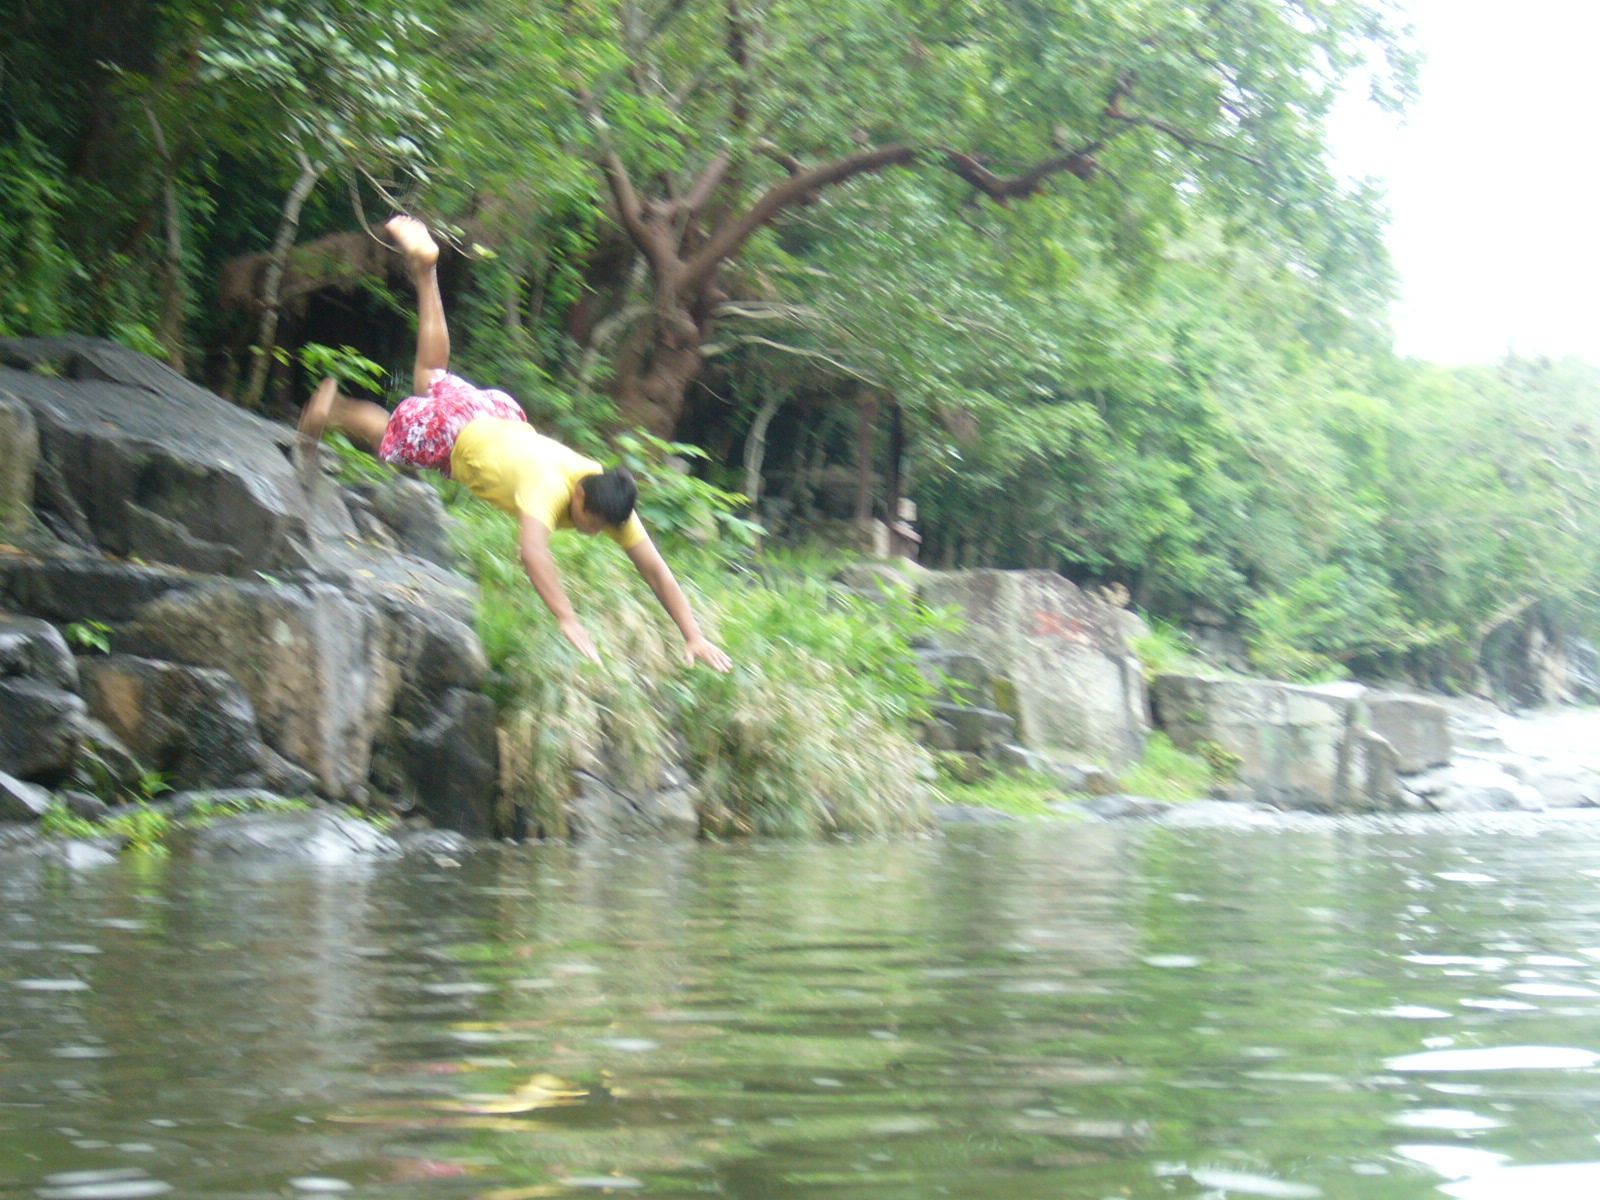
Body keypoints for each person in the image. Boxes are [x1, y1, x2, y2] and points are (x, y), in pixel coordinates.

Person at [298, 215, 732, 672]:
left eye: (601, 527)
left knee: (431, 376)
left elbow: (656, 570)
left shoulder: (608, 497)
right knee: (389, 432)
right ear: (580, 494)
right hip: (460, 434)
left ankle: (427, 271)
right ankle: (333, 411)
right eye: (590, 520)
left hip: (495, 416)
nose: (592, 531)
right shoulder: (551, 490)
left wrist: (694, 635)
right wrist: (567, 618)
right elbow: (532, 551)